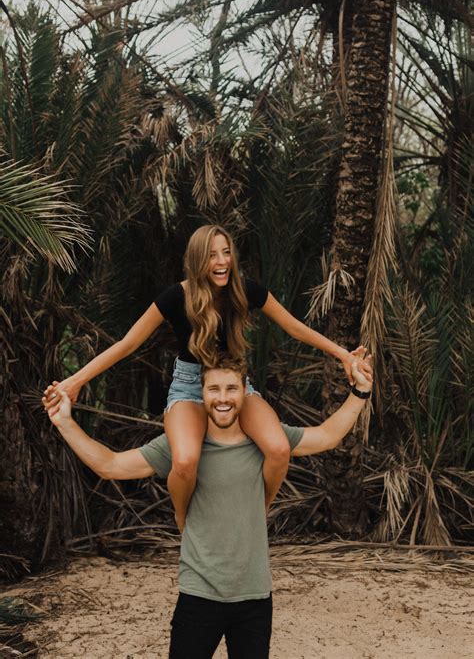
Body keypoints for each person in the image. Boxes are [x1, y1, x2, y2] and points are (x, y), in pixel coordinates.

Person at [43, 351, 373, 659]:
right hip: (199, 596)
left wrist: (360, 392)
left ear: (245, 391)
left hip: (255, 597)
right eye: (213, 389)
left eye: (231, 388)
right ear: (201, 394)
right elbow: (111, 465)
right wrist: (65, 423)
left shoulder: (266, 441)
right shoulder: (182, 446)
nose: (223, 398)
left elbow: (328, 435)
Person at [44, 224, 371, 532]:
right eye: (213, 255)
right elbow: (128, 344)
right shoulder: (175, 297)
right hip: (189, 385)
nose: (222, 262)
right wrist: (76, 381)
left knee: (278, 449)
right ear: (198, 260)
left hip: (235, 385)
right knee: (184, 461)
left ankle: (259, 512)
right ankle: (184, 521)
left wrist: (344, 355)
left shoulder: (245, 291)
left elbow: (294, 327)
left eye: (226, 252)